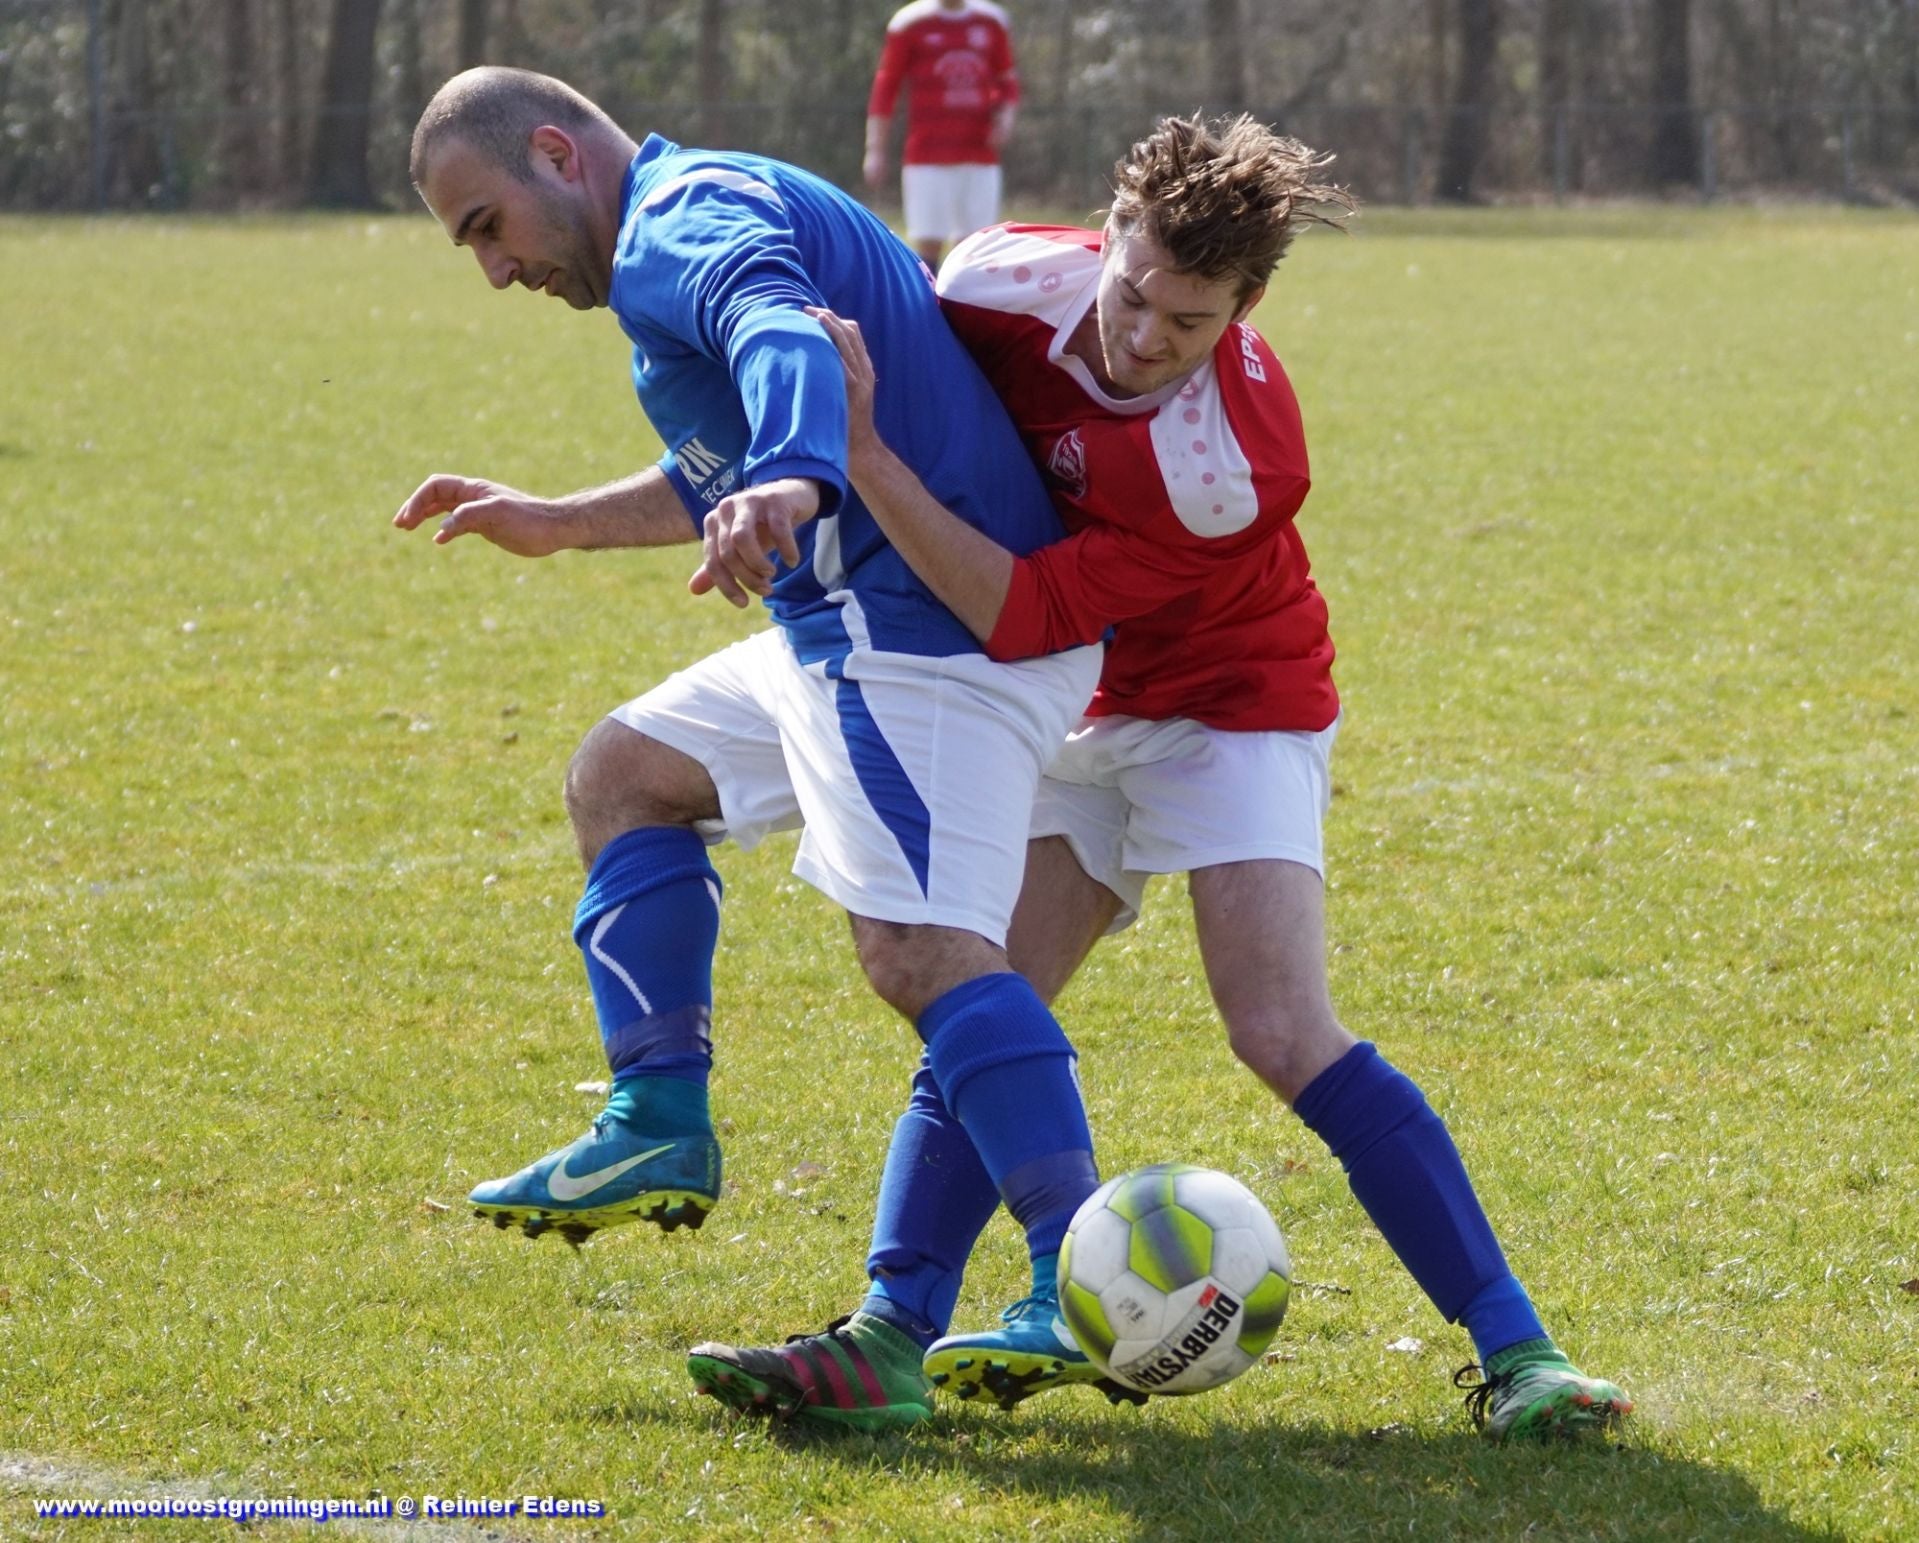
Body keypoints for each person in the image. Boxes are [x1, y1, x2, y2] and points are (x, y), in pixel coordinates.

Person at [695, 114, 1633, 1443]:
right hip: (1076, 698)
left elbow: (1018, 608)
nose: (1141, 337)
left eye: (1186, 322)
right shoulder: (993, 278)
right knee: (983, 999)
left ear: (1244, 309)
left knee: (1278, 1028)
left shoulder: (1231, 461)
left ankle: (1519, 1352)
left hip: (1229, 699)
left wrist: (867, 457)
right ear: (1105, 234)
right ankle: (886, 1340)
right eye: (1130, 293)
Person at [393, 66, 1109, 1432]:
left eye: (488, 225)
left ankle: (1077, 1273)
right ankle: (657, 1116)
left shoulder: (681, 222)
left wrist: (791, 467)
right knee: (625, 774)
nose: (493, 269)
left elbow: (782, 335)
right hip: (841, 620)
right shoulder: (690, 207)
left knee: (921, 955)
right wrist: (560, 520)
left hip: (918, 630)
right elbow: (721, 463)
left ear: (557, 153)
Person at [864, 0, 1019, 269]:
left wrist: (1005, 119)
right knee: (928, 240)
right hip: (927, 154)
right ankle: (927, 296)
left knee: (976, 245)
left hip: (979, 154)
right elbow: (886, 88)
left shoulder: (991, 21)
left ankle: (966, 297)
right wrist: (874, 149)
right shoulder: (909, 23)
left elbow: (1007, 82)